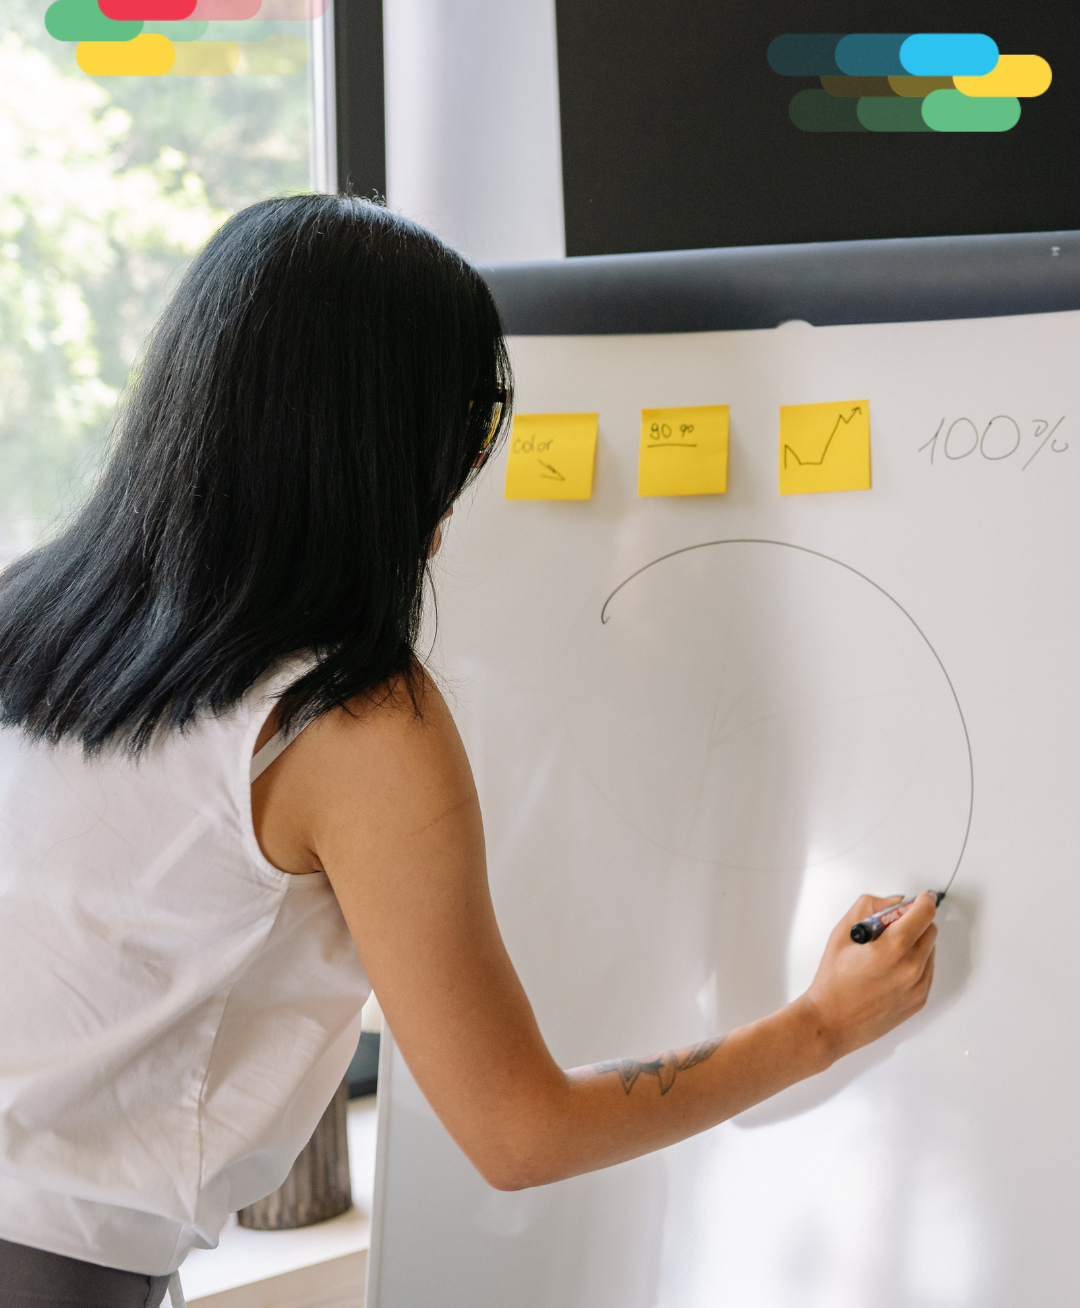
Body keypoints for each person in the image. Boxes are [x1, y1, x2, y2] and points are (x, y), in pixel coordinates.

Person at [0, 194, 937, 1307]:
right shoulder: (346, 719)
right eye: (463, 441)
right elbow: (519, 1132)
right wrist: (823, 1024)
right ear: (384, 449)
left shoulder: (32, 613)